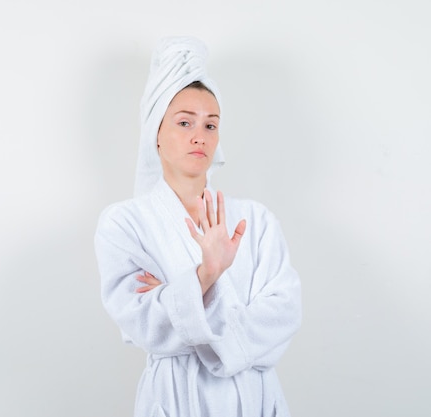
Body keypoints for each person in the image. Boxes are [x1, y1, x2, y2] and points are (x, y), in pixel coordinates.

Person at [94, 37, 302, 417]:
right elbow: (144, 325)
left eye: (211, 125)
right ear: (156, 133)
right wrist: (207, 274)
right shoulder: (124, 224)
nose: (199, 135)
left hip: (253, 400)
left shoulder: (254, 220)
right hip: (175, 400)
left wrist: (179, 297)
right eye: (184, 122)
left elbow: (284, 315)